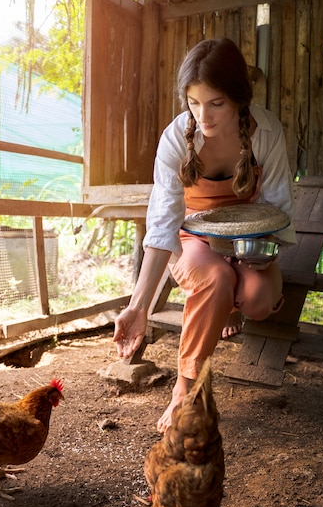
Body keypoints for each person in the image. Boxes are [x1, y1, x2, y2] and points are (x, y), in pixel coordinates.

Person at [113, 38, 296, 433]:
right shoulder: (177, 137)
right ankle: (185, 388)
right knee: (215, 278)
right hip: (191, 235)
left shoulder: (266, 132)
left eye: (216, 103)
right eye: (194, 103)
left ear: (238, 98)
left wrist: (255, 253)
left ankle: (230, 304)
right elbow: (163, 222)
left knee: (258, 298)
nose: (204, 115)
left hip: (250, 235)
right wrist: (139, 306)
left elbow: (278, 206)